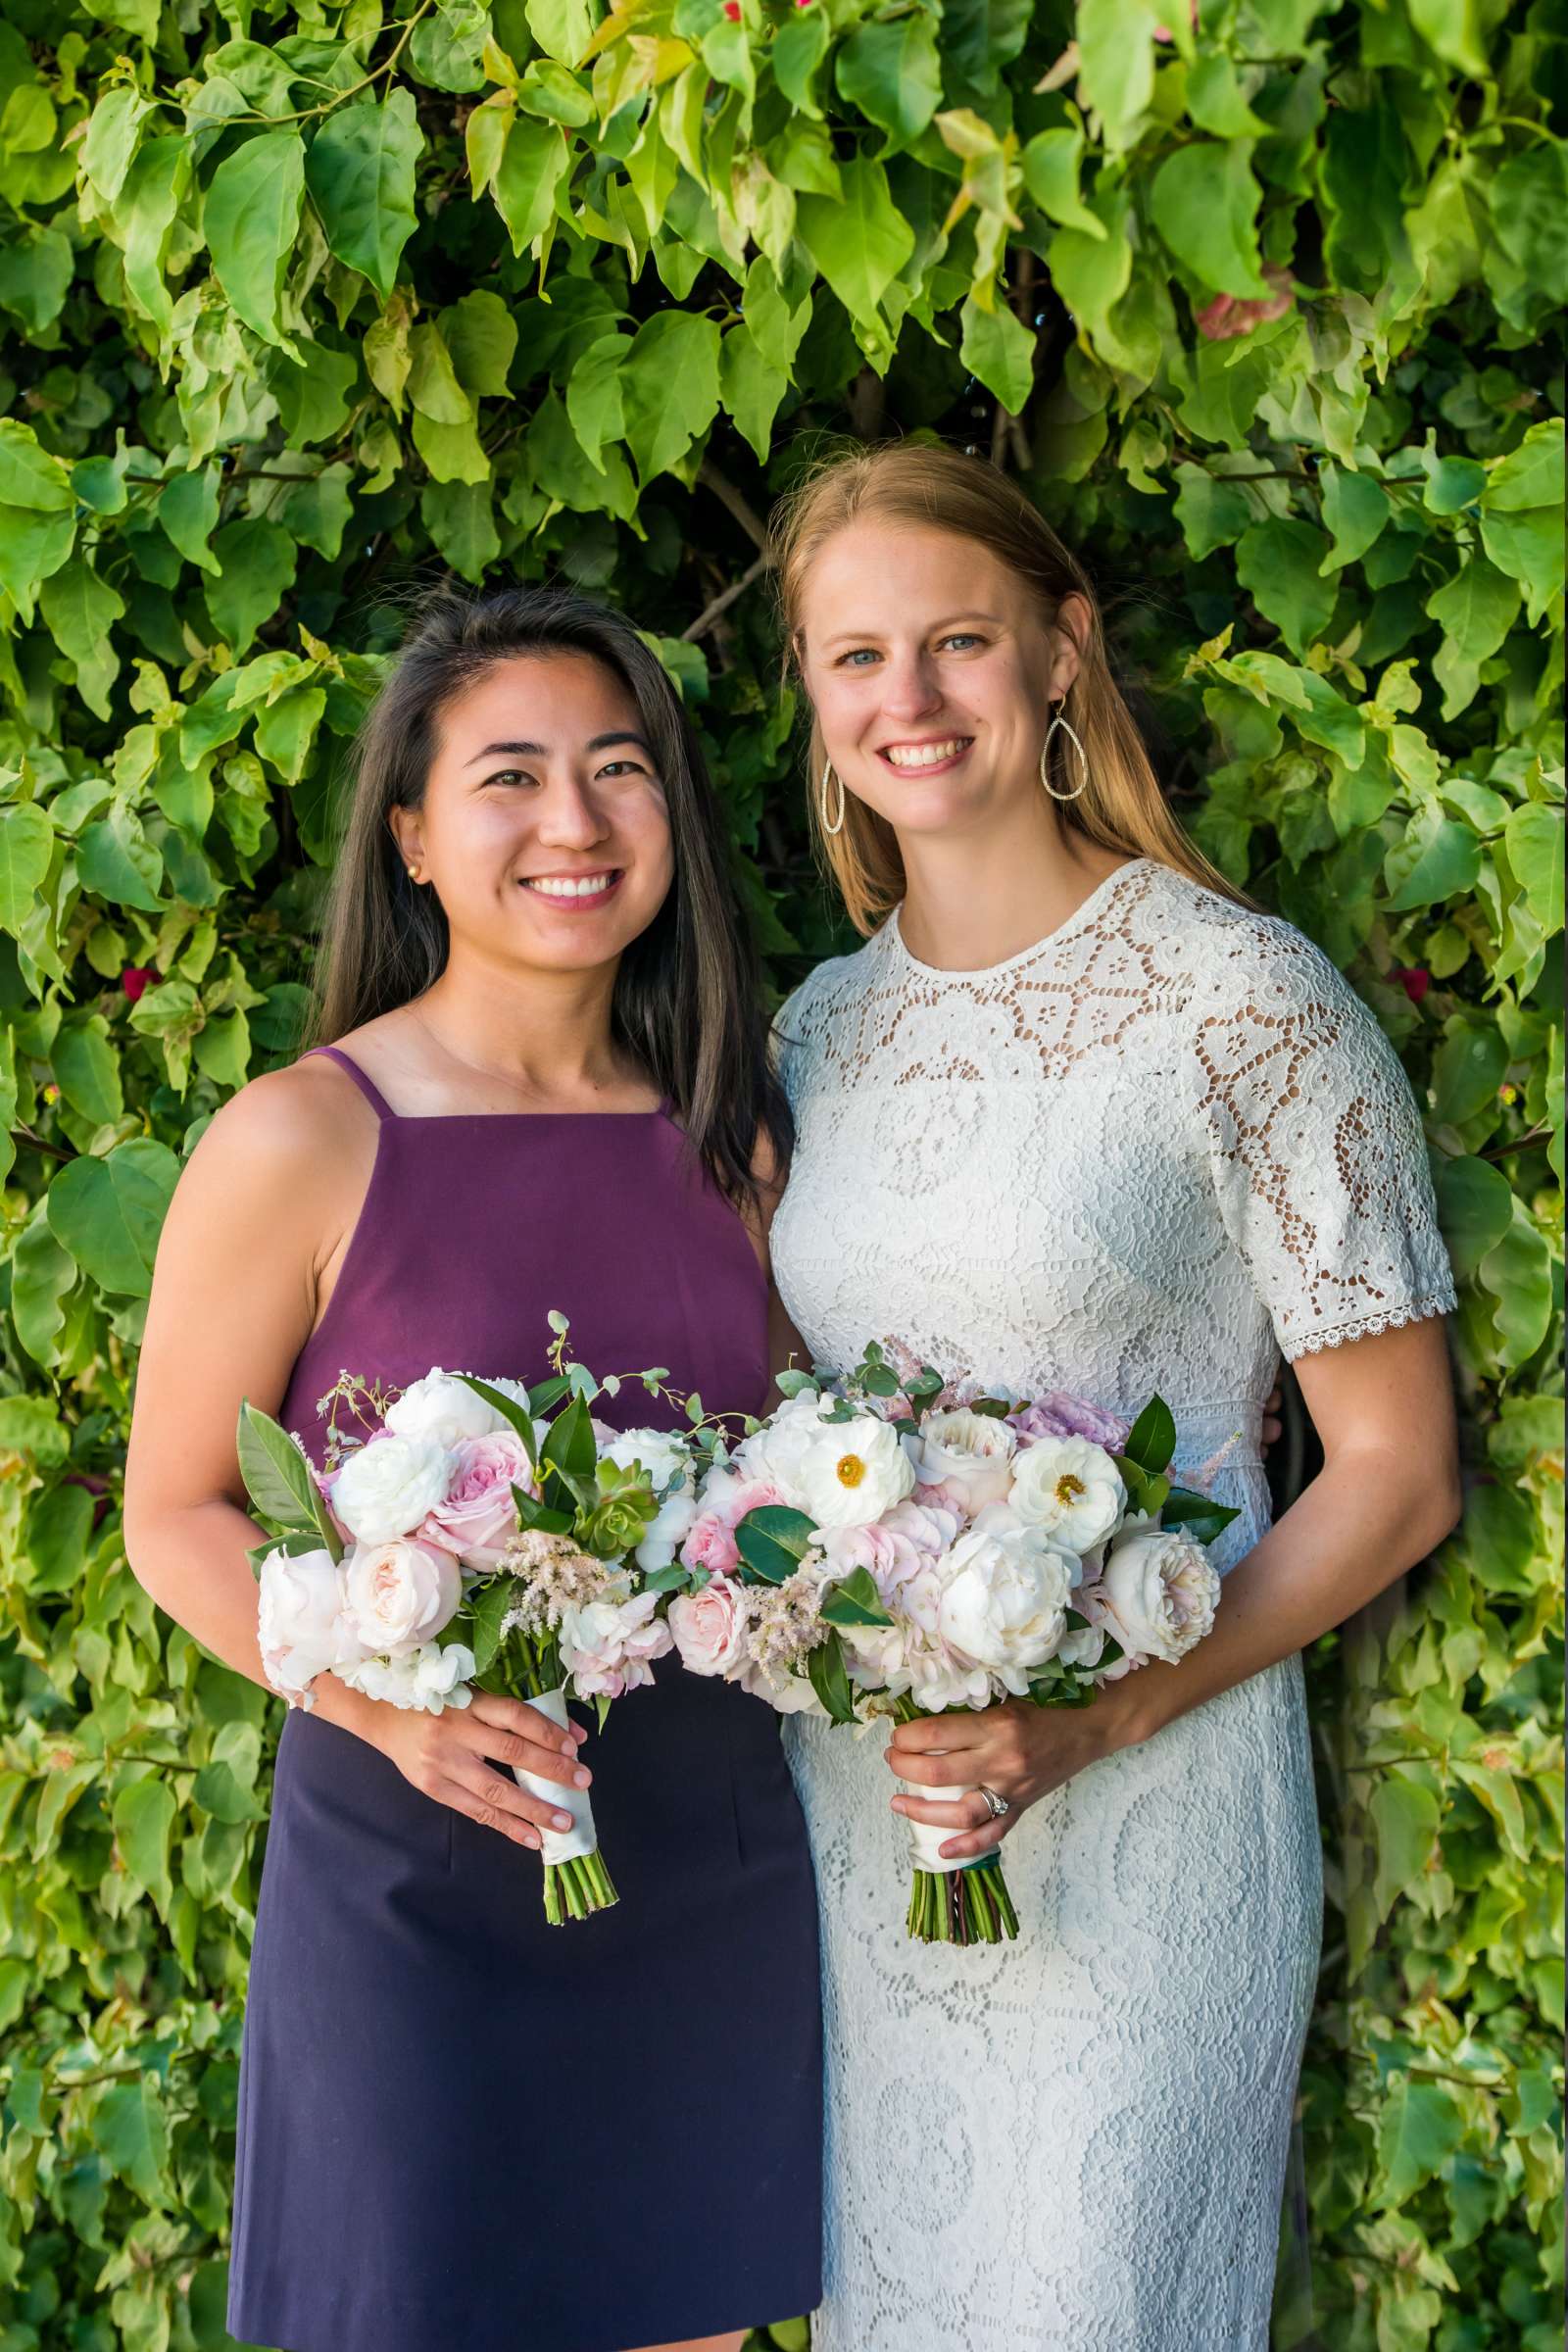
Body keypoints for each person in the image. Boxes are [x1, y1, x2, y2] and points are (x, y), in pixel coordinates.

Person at [764, 443, 1460, 2349]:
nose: (903, 700)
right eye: (852, 659)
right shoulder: (808, 1035)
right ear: (812, 704)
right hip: (871, 1831)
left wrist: (1090, 1721)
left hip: (1152, 1810)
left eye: (957, 642)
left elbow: (1391, 1473)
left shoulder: (1240, 999)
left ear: (1059, 652)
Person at [122, 585, 822, 2352]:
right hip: (412, 1883)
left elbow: (823, 1479)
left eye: (618, 769)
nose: (574, 823)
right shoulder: (300, 1136)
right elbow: (174, 1516)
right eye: (511, 777)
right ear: (415, 837)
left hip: (703, 1876)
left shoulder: (741, 1142)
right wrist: (386, 1708)